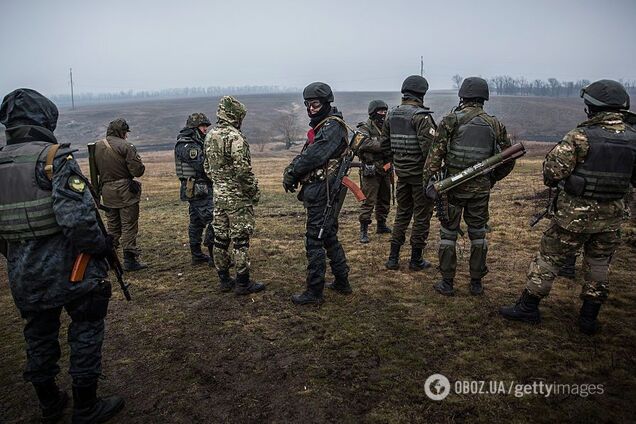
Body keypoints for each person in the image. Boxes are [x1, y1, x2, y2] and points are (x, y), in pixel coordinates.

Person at [0, 88, 124, 423]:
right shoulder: (54, 160)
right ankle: (86, 405)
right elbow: (81, 222)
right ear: (45, 118)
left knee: (37, 334)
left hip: (23, 273)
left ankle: (49, 403)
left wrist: (19, 254)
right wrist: (102, 248)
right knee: (86, 328)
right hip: (73, 271)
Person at [500, 79, 636, 334]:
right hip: (612, 216)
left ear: (591, 108)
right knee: (599, 263)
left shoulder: (580, 137)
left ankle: (528, 307)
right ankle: (588, 318)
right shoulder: (634, 139)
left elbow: (551, 173)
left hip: (574, 216)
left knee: (549, 256)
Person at [422, 77, 515, 295]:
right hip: (480, 190)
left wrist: (429, 183)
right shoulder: (495, 124)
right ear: (484, 98)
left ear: (462, 96)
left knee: (447, 234)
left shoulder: (451, 120)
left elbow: (435, 157)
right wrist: (491, 180)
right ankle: (476, 283)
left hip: (451, 188)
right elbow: (508, 158)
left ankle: (447, 283)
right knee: (479, 234)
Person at [283, 82, 351, 305]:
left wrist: (292, 172)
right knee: (328, 235)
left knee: (315, 239)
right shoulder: (325, 124)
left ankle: (314, 291)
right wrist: (292, 171)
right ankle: (342, 281)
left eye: (315, 104)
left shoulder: (332, 126)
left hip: (324, 191)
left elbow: (314, 156)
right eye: (307, 104)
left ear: (326, 103)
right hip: (321, 190)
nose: (311, 108)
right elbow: (309, 152)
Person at [204, 96, 265, 295]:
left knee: (220, 238)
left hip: (219, 195)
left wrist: (220, 182)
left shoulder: (210, 135)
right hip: (237, 197)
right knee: (240, 240)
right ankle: (243, 282)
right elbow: (243, 171)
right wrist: (253, 191)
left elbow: (206, 167)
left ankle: (224, 279)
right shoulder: (235, 137)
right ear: (235, 115)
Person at [381, 75, 436, 271]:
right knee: (421, 216)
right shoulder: (421, 117)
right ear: (421, 93)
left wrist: (399, 163)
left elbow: (384, 146)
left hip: (402, 174)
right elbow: (430, 151)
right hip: (420, 177)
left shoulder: (391, 115)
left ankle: (393, 259)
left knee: (402, 215)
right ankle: (415, 260)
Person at [94, 118, 147, 271]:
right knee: (129, 225)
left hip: (107, 191)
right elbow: (137, 171)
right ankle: (130, 261)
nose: (126, 135)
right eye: (125, 132)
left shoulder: (97, 146)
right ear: (121, 132)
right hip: (125, 191)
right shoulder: (126, 146)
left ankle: (110, 260)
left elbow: (95, 171)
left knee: (112, 227)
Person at [175, 112, 215, 265]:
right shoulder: (186, 144)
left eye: (206, 126)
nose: (206, 129)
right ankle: (215, 256)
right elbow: (201, 164)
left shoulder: (197, 142)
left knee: (197, 222)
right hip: (198, 189)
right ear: (194, 127)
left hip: (200, 188)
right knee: (213, 220)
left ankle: (197, 255)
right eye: (202, 126)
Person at [356, 100, 392, 243]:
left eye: (385, 111)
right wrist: (384, 146)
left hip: (386, 169)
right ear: (373, 112)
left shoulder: (387, 127)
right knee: (368, 201)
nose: (383, 114)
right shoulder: (364, 128)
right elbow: (361, 143)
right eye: (380, 111)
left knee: (385, 199)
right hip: (371, 171)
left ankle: (381, 225)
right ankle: (363, 230)